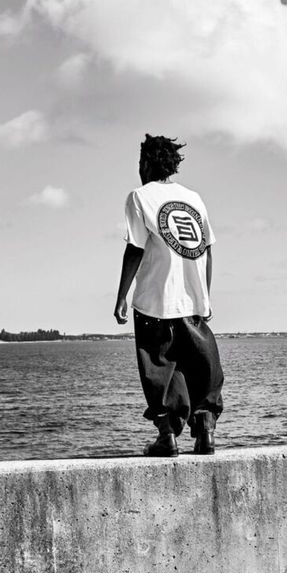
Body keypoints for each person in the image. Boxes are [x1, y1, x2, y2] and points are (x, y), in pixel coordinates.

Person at [114, 134, 224, 457]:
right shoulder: (193, 198)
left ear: (147, 163)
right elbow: (207, 250)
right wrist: (205, 296)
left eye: (140, 162)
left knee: (160, 370)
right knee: (202, 369)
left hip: (155, 303)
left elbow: (135, 248)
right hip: (193, 303)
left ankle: (167, 437)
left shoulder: (139, 197)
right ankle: (205, 434)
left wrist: (121, 296)